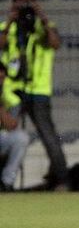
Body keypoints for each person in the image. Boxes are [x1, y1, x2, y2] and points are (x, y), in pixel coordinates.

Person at [0, 0, 68, 190]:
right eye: (20, 1)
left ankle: (63, 179)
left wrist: (43, 19)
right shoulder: (7, 27)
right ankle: (5, 180)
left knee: (49, 135)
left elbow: (55, 44)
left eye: (29, 1)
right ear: (13, 3)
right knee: (8, 131)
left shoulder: (44, 26)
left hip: (38, 90)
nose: (24, 5)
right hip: (12, 90)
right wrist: (10, 21)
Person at [0, 61, 31, 191]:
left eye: (1, 78)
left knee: (21, 138)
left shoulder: (11, 98)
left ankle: (6, 182)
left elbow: (11, 125)